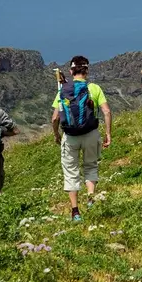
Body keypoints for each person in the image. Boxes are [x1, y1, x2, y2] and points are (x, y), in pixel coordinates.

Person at [50, 56, 111, 221]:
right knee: (90, 166)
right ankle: (91, 199)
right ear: (87, 70)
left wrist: (56, 135)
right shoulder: (94, 88)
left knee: (71, 172)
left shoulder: (63, 90)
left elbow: (55, 118)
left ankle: (75, 211)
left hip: (70, 137)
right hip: (91, 134)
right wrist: (108, 133)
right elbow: (106, 111)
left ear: (71, 71)